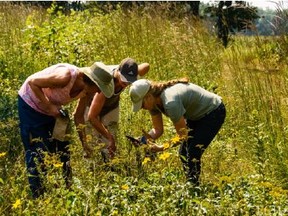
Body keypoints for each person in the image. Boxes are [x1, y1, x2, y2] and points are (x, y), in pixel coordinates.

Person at [18, 62, 114, 198]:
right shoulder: (66, 76)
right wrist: (50, 107)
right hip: (30, 105)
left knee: (62, 148)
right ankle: (38, 196)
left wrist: (84, 144)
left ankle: (68, 189)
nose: (99, 92)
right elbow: (33, 83)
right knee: (37, 150)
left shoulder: (86, 91)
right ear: (91, 82)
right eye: (99, 88)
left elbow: (78, 116)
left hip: (52, 109)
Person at [129, 78, 226, 185]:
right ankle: (192, 185)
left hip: (213, 112)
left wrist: (161, 148)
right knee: (184, 153)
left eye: (142, 105)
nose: (142, 108)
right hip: (196, 116)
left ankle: (194, 188)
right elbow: (158, 130)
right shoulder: (153, 103)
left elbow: (183, 135)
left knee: (193, 153)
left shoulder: (171, 103)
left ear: (148, 97)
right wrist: (142, 140)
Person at [74, 58, 150, 160]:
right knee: (93, 145)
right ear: (118, 71)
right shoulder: (106, 83)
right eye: (124, 77)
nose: (126, 82)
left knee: (110, 149)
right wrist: (110, 137)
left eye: (129, 80)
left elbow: (146, 66)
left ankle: (109, 167)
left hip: (111, 106)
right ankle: (93, 167)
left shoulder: (130, 75)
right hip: (91, 108)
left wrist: (132, 70)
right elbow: (92, 117)